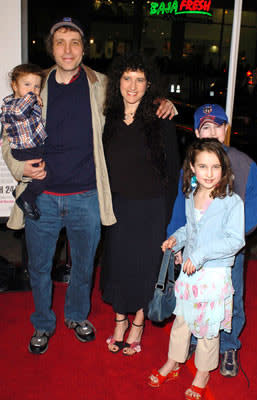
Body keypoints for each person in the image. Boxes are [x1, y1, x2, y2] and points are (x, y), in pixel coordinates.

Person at [1, 17, 176, 355]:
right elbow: (9, 135)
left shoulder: (102, 85)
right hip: (43, 198)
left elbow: (135, 94)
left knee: (83, 264)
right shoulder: (36, 85)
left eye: (75, 42)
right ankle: (42, 323)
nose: (68, 50)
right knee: (39, 266)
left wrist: (161, 102)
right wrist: (20, 166)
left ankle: (77, 315)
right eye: (60, 42)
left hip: (87, 196)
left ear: (84, 48)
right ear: (51, 48)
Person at [167, 104, 257, 377]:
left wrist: (237, 232)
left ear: (226, 130)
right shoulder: (192, 166)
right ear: (198, 131)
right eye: (205, 126)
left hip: (227, 252)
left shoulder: (244, 163)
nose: (212, 130)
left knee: (229, 298)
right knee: (195, 298)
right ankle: (195, 339)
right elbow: (181, 205)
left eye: (218, 125)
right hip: (195, 247)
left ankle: (229, 344)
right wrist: (175, 241)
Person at [148, 138, 245, 400]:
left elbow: (235, 241)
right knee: (182, 321)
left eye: (215, 167)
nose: (210, 174)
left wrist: (200, 255)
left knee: (207, 329)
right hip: (190, 276)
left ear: (224, 169)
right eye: (203, 166)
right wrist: (177, 241)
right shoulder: (192, 195)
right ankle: (173, 362)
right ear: (192, 167)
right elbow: (191, 230)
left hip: (213, 276)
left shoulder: (232, 202)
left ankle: (202, 373)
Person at [100, 54, 180, 355]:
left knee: (146, 268)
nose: (132, 86)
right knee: (118, 265)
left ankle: (138, 323)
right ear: (118, 82)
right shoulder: (106, 119)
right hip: (118, 206)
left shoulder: (161, 121)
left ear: (148, 85)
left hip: (152, 208)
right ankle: (119, 320)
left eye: (140, 79)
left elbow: (173, 172)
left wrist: (171, 221)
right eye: (127, 78)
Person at [0, 63, 48, 220]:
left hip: (34, 147)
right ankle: (25, 198)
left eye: (36, 86)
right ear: (14, 85)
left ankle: (22, 192)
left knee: (47, 172)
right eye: (27, 84)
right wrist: (33, 97)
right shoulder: (11, 106)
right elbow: (20, 112)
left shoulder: (30, 103)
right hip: (24, 150)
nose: (32, 90)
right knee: (44, 175)